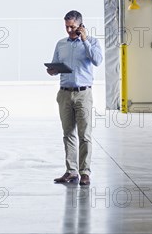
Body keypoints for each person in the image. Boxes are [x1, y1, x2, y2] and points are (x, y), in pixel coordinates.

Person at [47, 10, 102, 186]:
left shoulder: (92, 42)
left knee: (85, 134)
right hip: (64, 93)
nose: (69, 30)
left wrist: (85, 40)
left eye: (73, 27)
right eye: (67, 27)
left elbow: (97, 60)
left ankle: (85, 172)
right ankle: (71, 171)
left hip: (83, 94)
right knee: (68, 134)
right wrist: (53, 70)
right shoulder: (61, 44)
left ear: (81, 25)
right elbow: (55, 64)